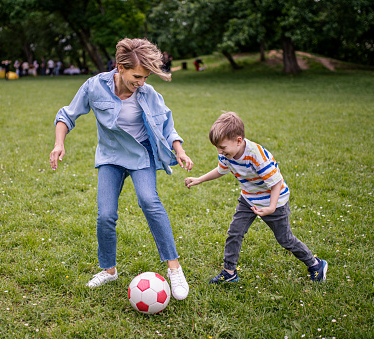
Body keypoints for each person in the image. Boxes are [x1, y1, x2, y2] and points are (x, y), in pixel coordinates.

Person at [49, 38, 193, 300]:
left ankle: (174, 268)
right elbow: (66, 115)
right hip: (111, 156)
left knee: (149, 200)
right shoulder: (94, 87)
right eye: (137, 76)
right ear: (119, 67)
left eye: (146, 77)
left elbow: (167, 125)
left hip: (141, 155)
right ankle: (109, 270)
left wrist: (179, 150)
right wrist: (59, 144)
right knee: (105, 215)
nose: (141, 82)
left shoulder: (148, 94)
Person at [185, 112, 328, 284]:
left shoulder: (256, 155)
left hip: (274, 201)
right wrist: (199, 179)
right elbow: (221, 170)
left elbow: (276, 183)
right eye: (217, 147)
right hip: (249, 199)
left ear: (238, 140)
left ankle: (315, 264)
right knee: (235, 232)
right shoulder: (227, 155)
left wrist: (272, 207)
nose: (220, 152)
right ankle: (229, 272)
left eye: (222, 147)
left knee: (285, 239)